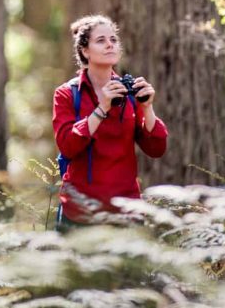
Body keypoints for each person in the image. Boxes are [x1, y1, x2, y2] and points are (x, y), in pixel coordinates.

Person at [52, 14, 168, 229]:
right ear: (85, 51)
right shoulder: (67, 94)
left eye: (114, 40)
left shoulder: (130, 91)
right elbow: (68, 146)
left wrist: (147, 106)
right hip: (80, 212)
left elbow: (156, 148)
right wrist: (102, 107)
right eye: (101, 40)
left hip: (126, 210)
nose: (110, 45)